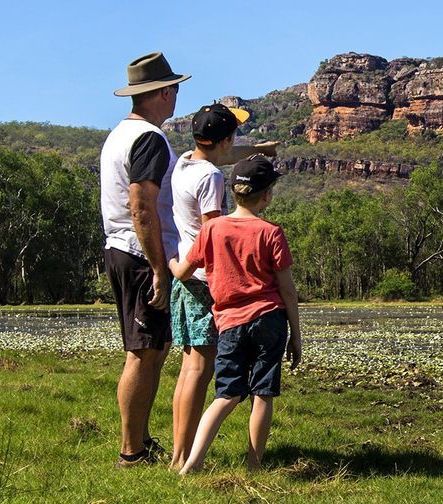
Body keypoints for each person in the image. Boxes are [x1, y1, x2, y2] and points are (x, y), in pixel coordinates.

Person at [175, 155, 302, 474]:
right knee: (262, 393)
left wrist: (169, 262)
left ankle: (192, 462)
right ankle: (254, 465)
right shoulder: (272, 232)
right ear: (267, 195)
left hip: (229, 323)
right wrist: (296, 336)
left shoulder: (212, 229)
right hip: (269, 320)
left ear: (234, 192)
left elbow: (185, 271)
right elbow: (287, 290)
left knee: (227, 394)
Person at [100, 51, 188, 467]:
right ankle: (131, 451)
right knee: (142, 351)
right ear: (161, 93)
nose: (175, 97)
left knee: (151, 347)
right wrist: (158, 267)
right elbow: (141, 206)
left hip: (122, 250)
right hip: (139, 256)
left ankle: (139, 440)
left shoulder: (120, 134)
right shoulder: (149, 139)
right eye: (173, 89)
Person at [164, 102, 246, 469]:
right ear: (225, 139)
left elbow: (218, 159)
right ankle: (183, 457)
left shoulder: (184, 162)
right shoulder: (211, 178)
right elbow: (214, 231)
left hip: (184, 276)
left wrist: (257, 152)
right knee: (200, 370)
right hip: (201, 279)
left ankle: (177, 452)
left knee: (188, 369)